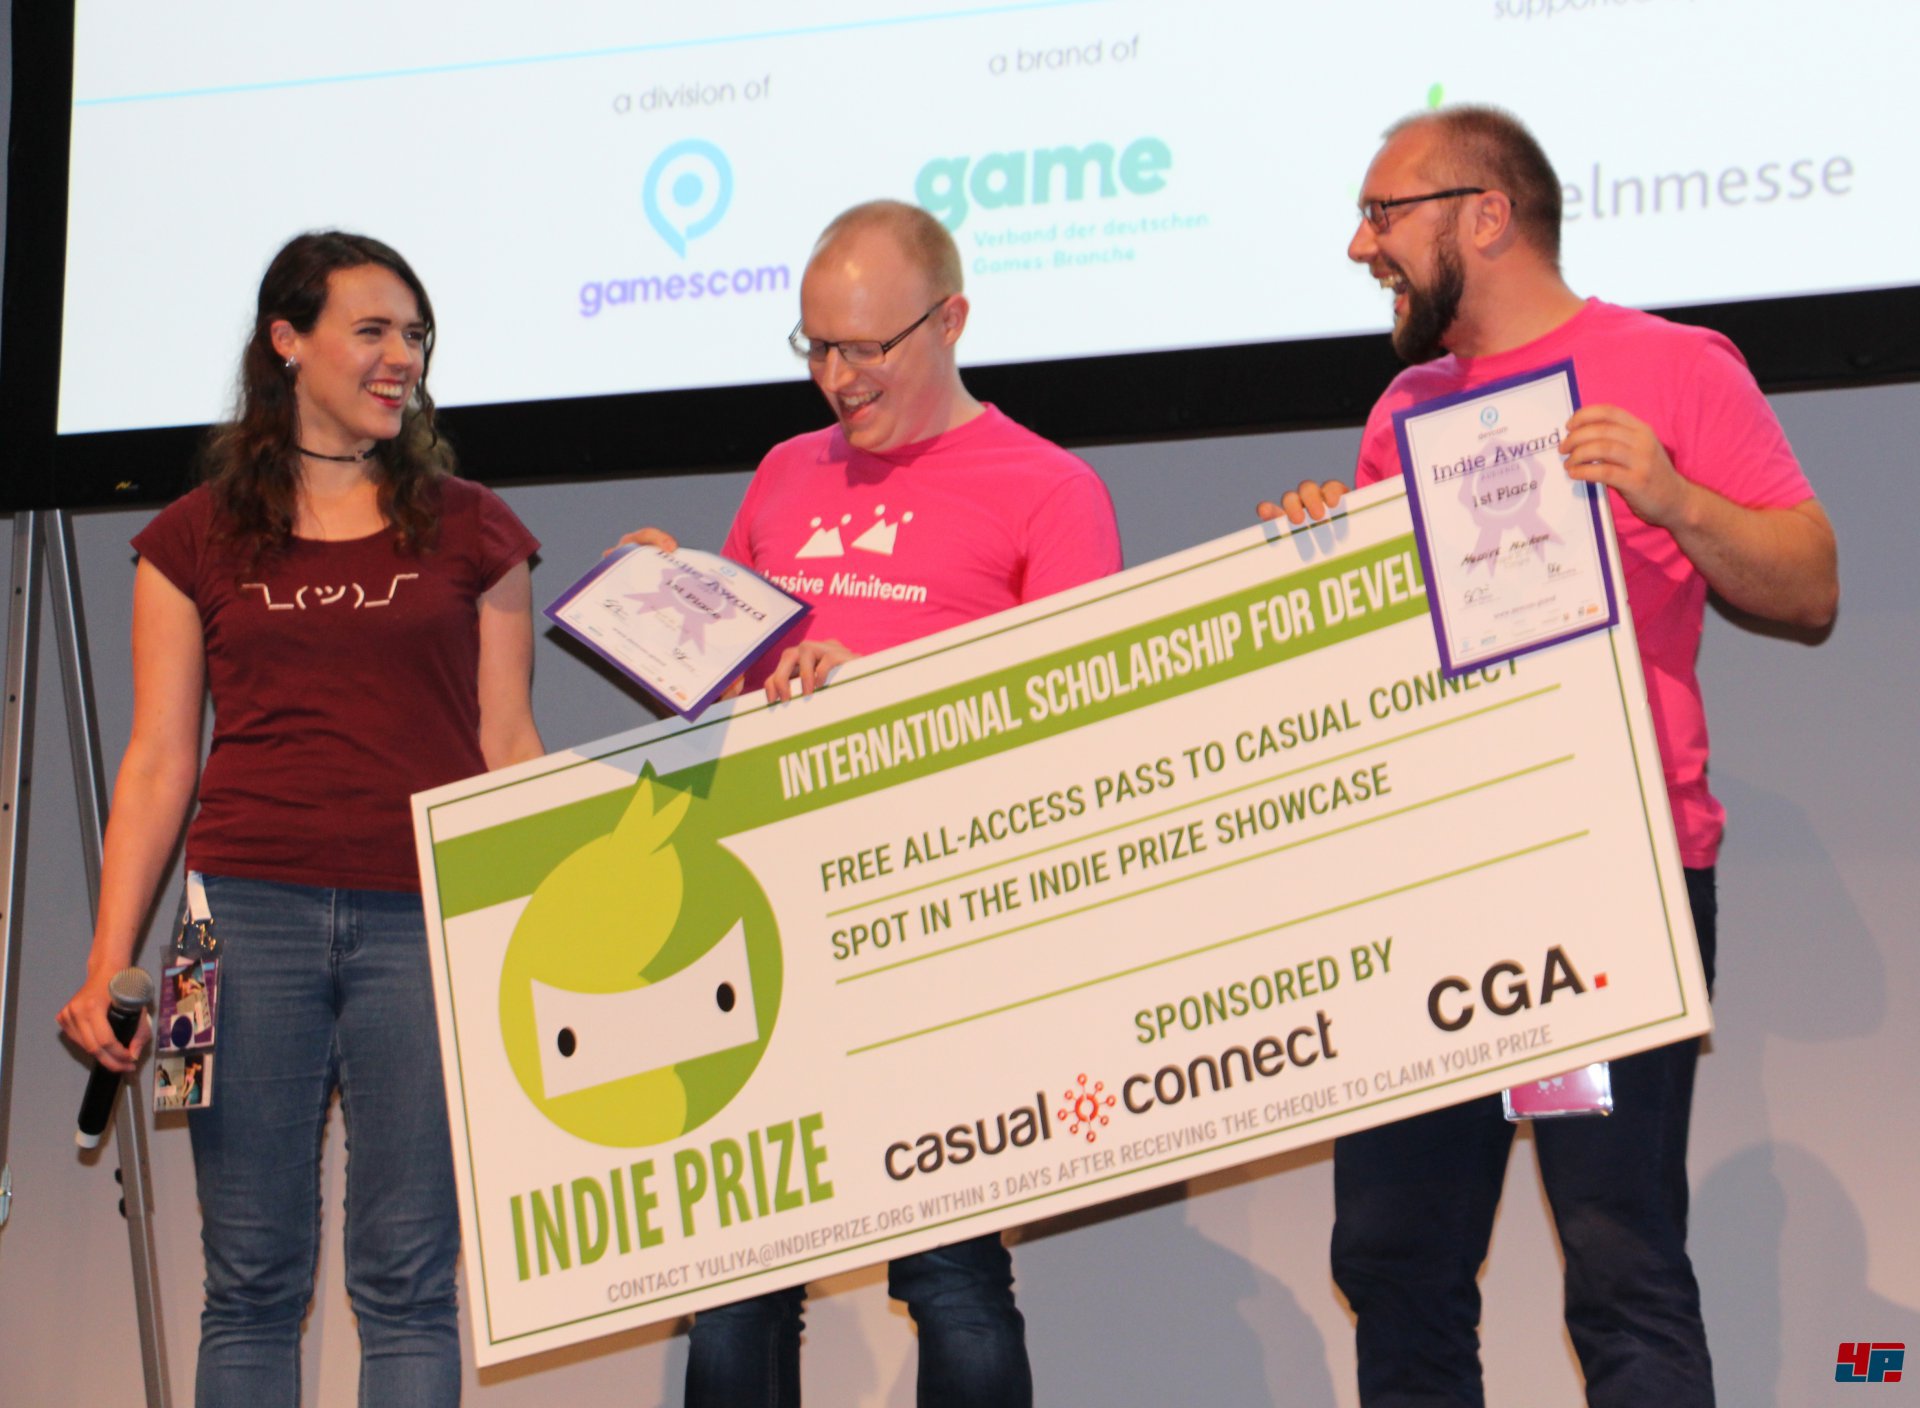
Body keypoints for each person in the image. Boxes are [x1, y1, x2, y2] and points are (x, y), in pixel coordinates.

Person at [1263, 106, 1838, 1407]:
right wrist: (1323, 554)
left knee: (1617, 1251)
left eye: (1384, 214)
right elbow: (1390, 656)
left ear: (1487, 214)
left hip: (1603, 882)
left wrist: (1675, 497)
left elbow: (1810, 585)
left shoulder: (1675, 366)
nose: (1362, 246)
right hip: (1432, 893)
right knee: (1394, 1253)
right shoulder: (1404, 410)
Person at [621, 199, 1121, 1407]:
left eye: (865, 348)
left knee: (952, 1276)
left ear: (951, 320)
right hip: (764, 923)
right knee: (737, 1281)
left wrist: (878, 686)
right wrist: (666, 601)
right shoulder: (784, 473)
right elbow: (734, 692)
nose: (837, 379)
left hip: (939, 934)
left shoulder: (1050, 489)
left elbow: (1078, 724)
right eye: (816, 349)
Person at [58, 231, 545, 1406]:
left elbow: (509, 747)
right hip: (230, 928)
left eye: (415, 335)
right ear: (288, 340)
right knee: (249, 1286)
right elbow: (158, 760)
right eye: (372, 330)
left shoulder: (479, 528)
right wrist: (108, 958)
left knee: (411, 1283)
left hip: (425, 921)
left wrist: (536, 929)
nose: (402, 356)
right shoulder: (189, 536)